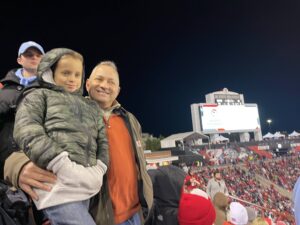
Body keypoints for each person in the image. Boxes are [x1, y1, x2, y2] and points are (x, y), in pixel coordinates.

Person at [4, 60, 153, 225]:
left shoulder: (130, 120)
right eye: (99, 79)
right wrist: (18, 166)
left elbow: (139, 165)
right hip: (97, 218)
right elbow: (26, 142)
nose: (105, 85)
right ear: (88, 83)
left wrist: (146, 205)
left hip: (136, 215)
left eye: (111, 82)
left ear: (118, 90)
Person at [13, 48, 109, 225]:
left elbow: (102, 140)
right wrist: (60, 163)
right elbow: (27, 130)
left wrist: (100, 168)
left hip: (86, 185)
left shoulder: (90, 106)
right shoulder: (38, 95)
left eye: (77, 74)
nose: (72, 79)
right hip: (56, 185)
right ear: (51, 72)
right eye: (66, 73)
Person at [0, 41, 44, 179]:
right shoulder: (2, 87)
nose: (34, 58)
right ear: (19, 59)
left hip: (37, 160)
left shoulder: (50, 89)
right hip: (4, 161)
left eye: (38, 55)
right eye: (28, 54)